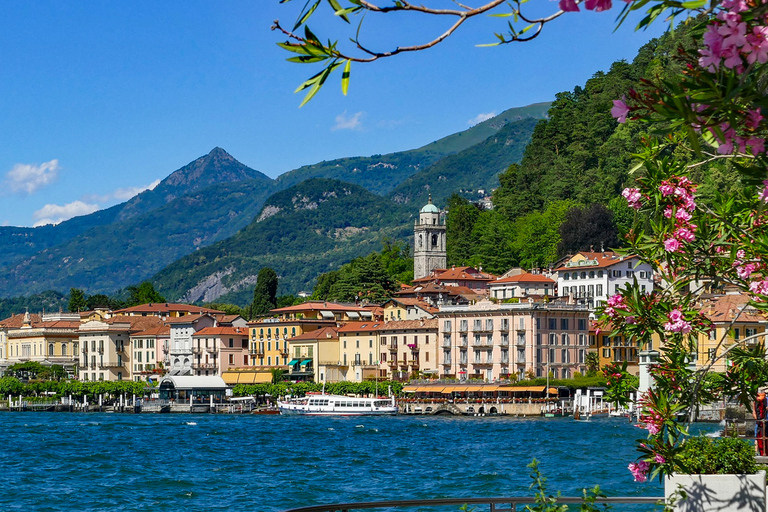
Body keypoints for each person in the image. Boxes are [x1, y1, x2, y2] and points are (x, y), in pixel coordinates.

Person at [754, 391, 767, 456]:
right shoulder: (759, 401)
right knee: (759, 437)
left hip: (761, 422)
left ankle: (759, 453)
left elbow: (754, 412)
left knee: (760, 438)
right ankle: (760, 453)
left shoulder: (760, 401)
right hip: (761, 422)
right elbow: (754, 411)